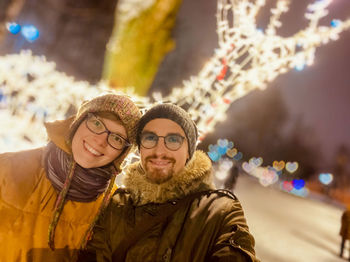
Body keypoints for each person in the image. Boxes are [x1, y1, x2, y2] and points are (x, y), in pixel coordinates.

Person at [78, 103, 259, 262]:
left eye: (173, 140)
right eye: (150, 138)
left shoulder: (220, 211)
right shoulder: (117, 206)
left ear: (189, 151)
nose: (160, 150)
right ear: (139, 149)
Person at [0, 93, 141, 262]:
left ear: (123, 153)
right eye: (96, 124)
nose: (100, 141)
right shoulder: (8, 167)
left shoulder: (114, 209)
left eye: (117, 138)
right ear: (77, 122)